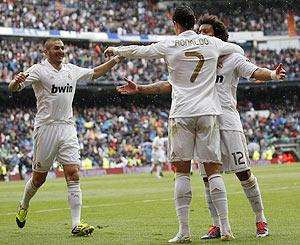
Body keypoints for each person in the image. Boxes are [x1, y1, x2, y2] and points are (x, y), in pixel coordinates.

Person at [116, 15, 286, 240]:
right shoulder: (194, 59)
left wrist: (273, 74)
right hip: (206, 119)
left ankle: (260, 219)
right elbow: (170, 85)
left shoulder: (232, 58)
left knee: (243, 173)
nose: (202, 35)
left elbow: (254, 71)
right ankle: (216, 225)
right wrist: (141, 88)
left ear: (218, 35)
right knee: (207, 176)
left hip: (227, 121)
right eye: (200, 31)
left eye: (207, 31)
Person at [105, 5, 244, 242]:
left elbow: (141, 51)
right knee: (213, 171)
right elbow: (238, 48)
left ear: (175, 24)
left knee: (182, 172)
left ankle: (184, 232)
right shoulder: (212, 43)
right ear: (192, 23)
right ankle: (227, 228)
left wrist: (116, 50)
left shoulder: (170, 44)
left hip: (182, 113)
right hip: (208, 113)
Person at [8, 38, 122, 236]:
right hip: (46, 128)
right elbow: (14, 87)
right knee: (38, 179)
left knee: (73, 173)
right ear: (46, 51)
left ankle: (76, 224)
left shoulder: (71, 69)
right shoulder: (38, 70)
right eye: (56, 48)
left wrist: (116, 60)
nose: (61, 51)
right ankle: (24, 204)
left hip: (67, 127)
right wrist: (15, 83)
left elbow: (94, 72)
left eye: (62, 48)